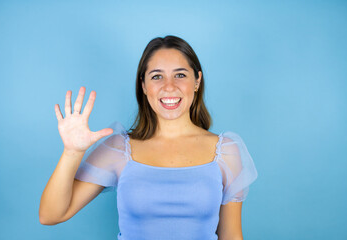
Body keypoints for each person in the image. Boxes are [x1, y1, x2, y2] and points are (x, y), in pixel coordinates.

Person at [39, 35, 258, 240]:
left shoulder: (226, 151)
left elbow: (231, 236)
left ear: (197, 81)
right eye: (157, 76)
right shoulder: (118, 149)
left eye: (180, 75)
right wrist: (72, 152)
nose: (169, 86)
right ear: (143, 85)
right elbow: (51, 215)